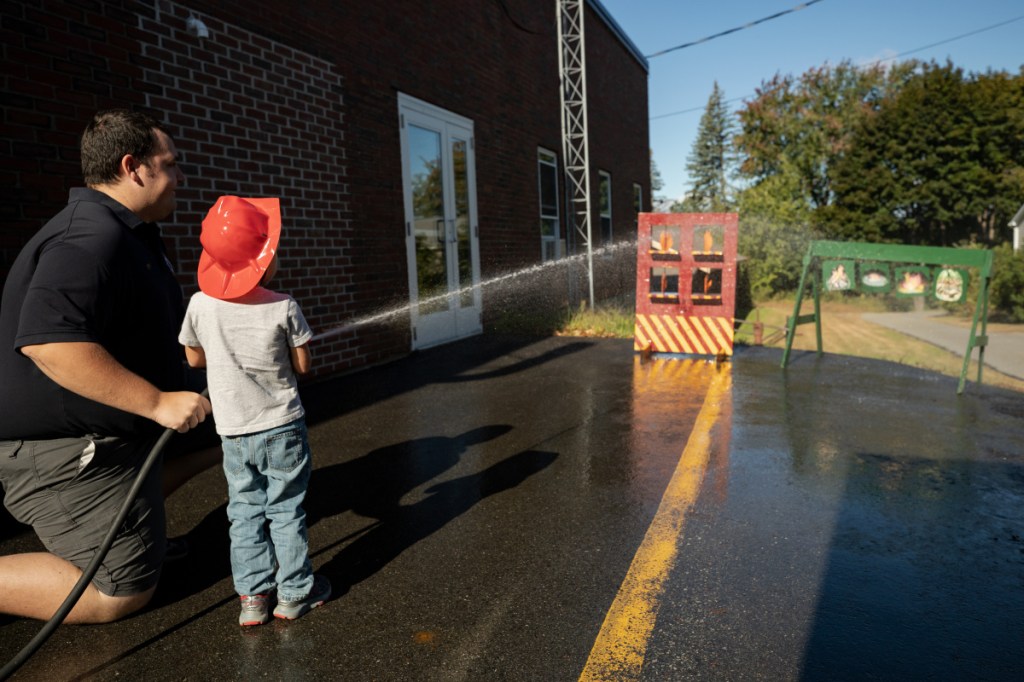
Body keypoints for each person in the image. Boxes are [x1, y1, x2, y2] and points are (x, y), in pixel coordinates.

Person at [0, 109, 216, 623]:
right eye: (171, 164)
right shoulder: (89, 237)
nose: (180, 177)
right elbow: (50, 344)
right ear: (134, 167)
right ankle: (120, 547)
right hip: (60, 450)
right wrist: (158, 402)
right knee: (121, 590)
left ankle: (141, 520)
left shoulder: (132, 232)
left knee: (231, 431)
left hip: (114, 430)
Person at [178, 195, 330, 626]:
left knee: (243, 511)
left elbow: (193, 359)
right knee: (286, 510)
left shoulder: (199, 305)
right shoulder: (283, 305)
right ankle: (295, 593)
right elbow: (303, 368)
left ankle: (252, 599)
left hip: (233, 431)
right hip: (282, 426)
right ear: (261, 261)